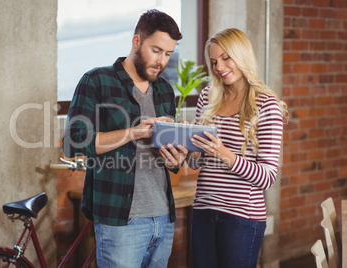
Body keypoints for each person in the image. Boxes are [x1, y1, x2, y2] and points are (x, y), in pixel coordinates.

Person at [62, 9, 188, 268]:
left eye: (168, 54)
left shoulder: (164, 89)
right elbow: (72, 142)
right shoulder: (97, 81)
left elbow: (167, 160)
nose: (161, 61)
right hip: (120, 222)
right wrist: (134, 132)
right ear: (136, 41)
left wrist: (177, 157)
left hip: (162, 219)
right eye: (156, 50)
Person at [187, 28, 288, 268]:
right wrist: (188, 145)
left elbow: (267, 177)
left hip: (242, 218)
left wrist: (225, 154)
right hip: (203, 209)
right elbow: (194, 163)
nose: (219, 66)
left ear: (241, 55)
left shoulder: (266, 105)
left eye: (225, 58)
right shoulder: (207, 97)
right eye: (213, 61)